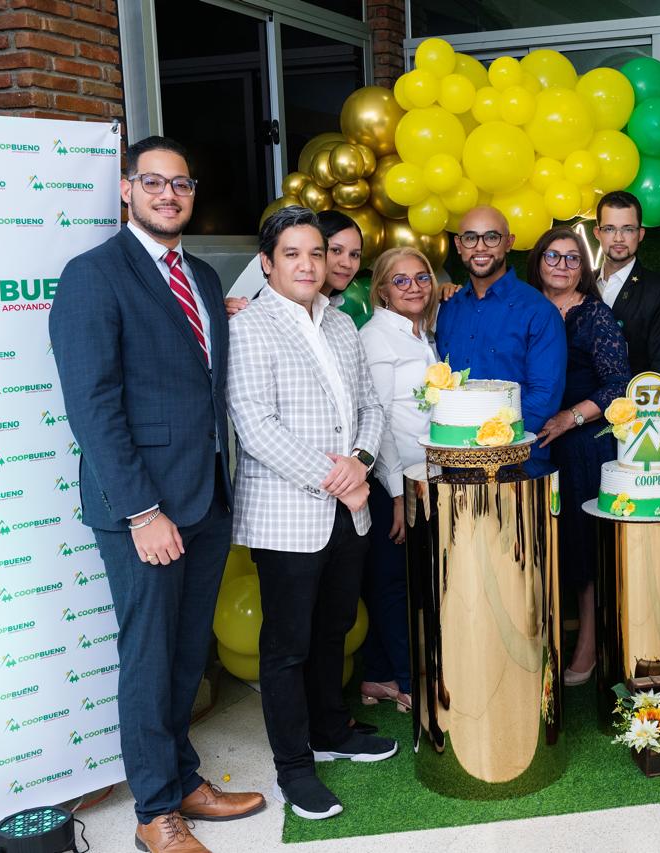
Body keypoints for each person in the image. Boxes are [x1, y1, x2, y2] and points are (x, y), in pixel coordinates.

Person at [49, 135, 265, 853]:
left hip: (204, 497)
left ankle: (183, 778)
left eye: (181, 184)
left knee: (185, 654)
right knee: (148, 658)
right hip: (143, 511)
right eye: (153, 182)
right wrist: (143, 511)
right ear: (126, 189)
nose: (169, 194)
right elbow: (93, 406)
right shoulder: (92, 275)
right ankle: (155, 811)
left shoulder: (199, 276)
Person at [226, 206, 395, 822]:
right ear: (267, 263)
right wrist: (339, 480)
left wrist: (361, 461)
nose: (307, 265)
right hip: (289, 514)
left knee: (333, 629)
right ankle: (294, 767)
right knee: (287, 646)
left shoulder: (342, 324)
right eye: (292, 254)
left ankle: (331, 730)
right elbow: (256, 426)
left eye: (316, 254)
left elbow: (371, 406)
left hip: (349, 509)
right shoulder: (250, 326)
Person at [528, 227, 631, 685]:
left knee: (584, 549)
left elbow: (619, 385)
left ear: (583, 268)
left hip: (582, 443)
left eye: (573, 258)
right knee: (540, 546)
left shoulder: (595, 316)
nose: (562, 265)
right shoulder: (524, 308)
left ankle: (589, 643)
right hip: (530, 443)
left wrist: (568, 419)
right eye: (553, 256)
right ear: (538, 261)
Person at [357, 246, 442, 711]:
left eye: (422, 277)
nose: (414, 287)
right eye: (401, 280)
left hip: (422, 477)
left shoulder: (421, 334)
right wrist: (394, 493)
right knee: (394, 583)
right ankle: (409, 682)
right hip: (392, 482)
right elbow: (380, 419)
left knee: (397, 576)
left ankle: (377, 675)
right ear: (383, 291)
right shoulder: (376, 337)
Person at [434, 206, 567, 460]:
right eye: (471, 238)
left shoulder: (538, 311)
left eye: (491, 237)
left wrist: (483, 439)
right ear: (459, 245)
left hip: (517, 464)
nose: (480, 247)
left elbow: (544, 398)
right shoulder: (449, 308)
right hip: (453, 461)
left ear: (509, 242)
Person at [593, 191, 660, 382]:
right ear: (597, 233)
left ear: (640, 234)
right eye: (609, 229)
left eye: (628, 229)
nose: (618, 238)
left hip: (632, 399)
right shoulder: (582, 284)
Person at [225, 209, 362, 315]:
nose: (347, 263)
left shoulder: (339, 318)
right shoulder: (252, 313)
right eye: (336, 250)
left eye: (355, 254)